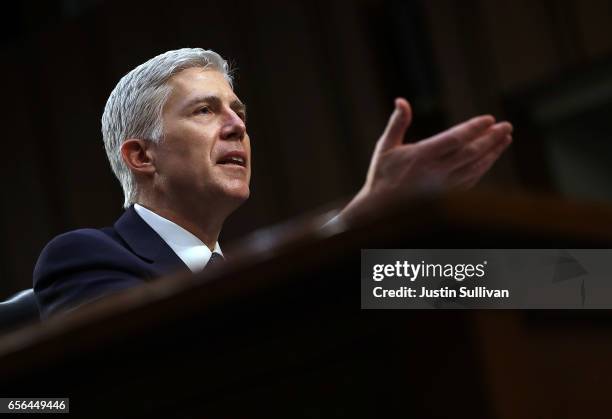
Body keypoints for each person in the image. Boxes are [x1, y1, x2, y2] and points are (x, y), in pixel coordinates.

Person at [33, 48, 513, 318]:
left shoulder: (243, 274)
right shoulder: (83, 259)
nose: (237, 125)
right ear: (141, 155)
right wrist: (355, 222)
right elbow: (183, 366)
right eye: (204, 110)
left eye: (238, 112)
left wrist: (539, 282)